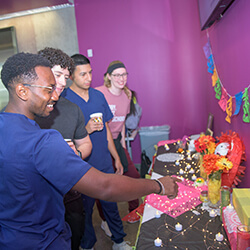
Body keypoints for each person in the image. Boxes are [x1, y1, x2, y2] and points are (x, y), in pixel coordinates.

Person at [0, 52, 179, 250]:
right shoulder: (43, 141)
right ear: (22, 91)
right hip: (43, 240)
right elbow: (105, 187)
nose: (56, 95)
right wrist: (158, 186)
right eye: (49, 89)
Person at [61, 54, 130, 250]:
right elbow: (62, 137)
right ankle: (88, 244)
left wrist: (115, 157)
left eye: (90, 73)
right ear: (71, 76)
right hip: (82, 166)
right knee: (85, 210)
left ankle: (119, 240)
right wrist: (87, 129)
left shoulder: (98, 96)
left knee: (111, 204)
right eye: (83, 74)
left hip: (104, 162)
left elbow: (107, 128)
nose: (88, 78)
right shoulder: (64, 100)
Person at [35, 47, 92, 250]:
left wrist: (74, 154)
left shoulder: (71, 109)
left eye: (65, 77)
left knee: (75, 237)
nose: (61, 82)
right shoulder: (27, 111)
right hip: (37, 201)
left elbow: (86, 144)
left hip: (70, 194)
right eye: (57, 74)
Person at [95, 61, 141, 223]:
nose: (121, 78)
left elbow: (121, 123)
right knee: (103, 184)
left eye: (124, 74)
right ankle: (104, 220)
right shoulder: (98, 93)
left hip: (116, 141)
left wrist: (122, 144)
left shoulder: (127, 95)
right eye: (117, 75)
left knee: (133, 177)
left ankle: (134, 211)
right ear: (108, 76)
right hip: (99, 143)